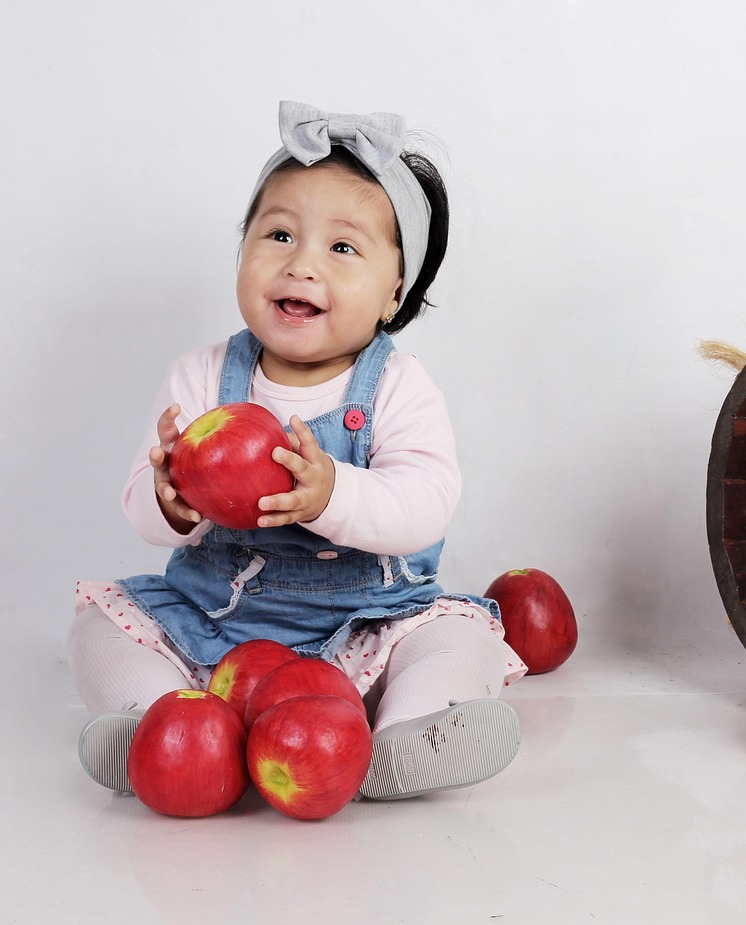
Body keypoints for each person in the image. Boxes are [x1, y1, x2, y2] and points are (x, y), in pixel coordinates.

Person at [68, 101, 526, 802]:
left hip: (368, 625)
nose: (302, 264)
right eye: (279, 234)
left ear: (392, 293)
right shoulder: (203, 375)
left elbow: (427, 502)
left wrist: (333, 492)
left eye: (342, 249)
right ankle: (158, 725)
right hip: (216, 628)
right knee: (100, 625)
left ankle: (412, 731)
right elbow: (140, 501)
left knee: (460, 638)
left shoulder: (396, 385)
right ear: (244, 250)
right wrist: (170, 499)